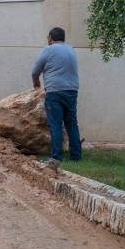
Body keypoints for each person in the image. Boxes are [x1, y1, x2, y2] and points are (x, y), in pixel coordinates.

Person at [31, 27, 82, 170]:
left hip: (55, 92)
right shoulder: (71, 49)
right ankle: (76, 156)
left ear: (50, 38)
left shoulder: (49, 50)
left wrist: (36, 83)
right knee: (72, 124)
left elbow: (35, 71)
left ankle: (56, 157)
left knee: (55, 125)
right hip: (72, 91)